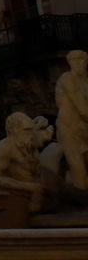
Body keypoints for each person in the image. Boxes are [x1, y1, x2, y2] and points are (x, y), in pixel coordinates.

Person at [56, 49, 88, 188]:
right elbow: (80, 105)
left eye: (82, 59)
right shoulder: (66, 78)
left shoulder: (86, 81)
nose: (79, 63)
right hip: (69, 127)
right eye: (75, 60)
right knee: (78, 167)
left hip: (84, 127)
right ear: (69, 62)